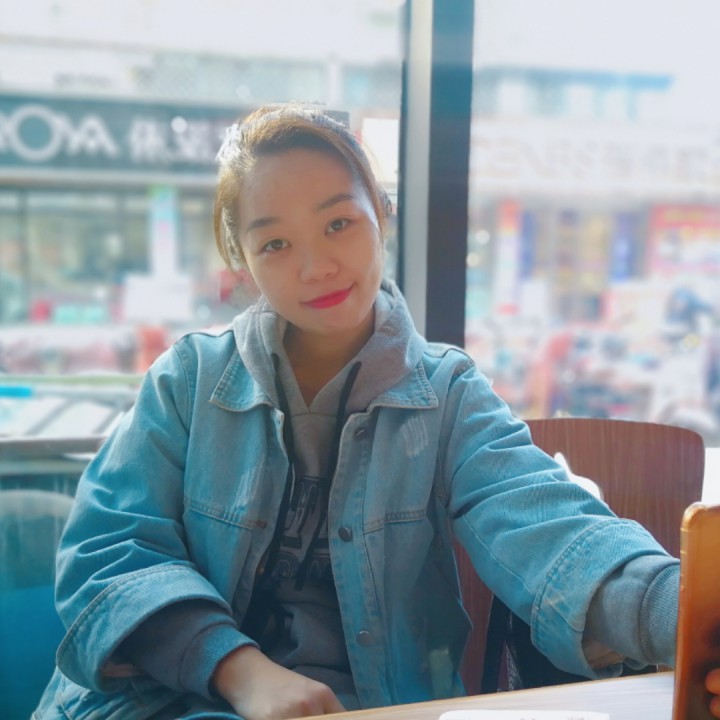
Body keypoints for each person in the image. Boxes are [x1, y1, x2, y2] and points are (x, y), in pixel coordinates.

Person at [34, 104, 720, 720]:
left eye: (338, 223)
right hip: (164, 699)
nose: (316, 266)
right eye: (276, 243)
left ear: (382, 215)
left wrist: (688, 613)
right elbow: (106, 552)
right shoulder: (187, 382)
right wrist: (241, 672)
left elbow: (546, 525)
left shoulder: (446, 393)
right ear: (242, 260)